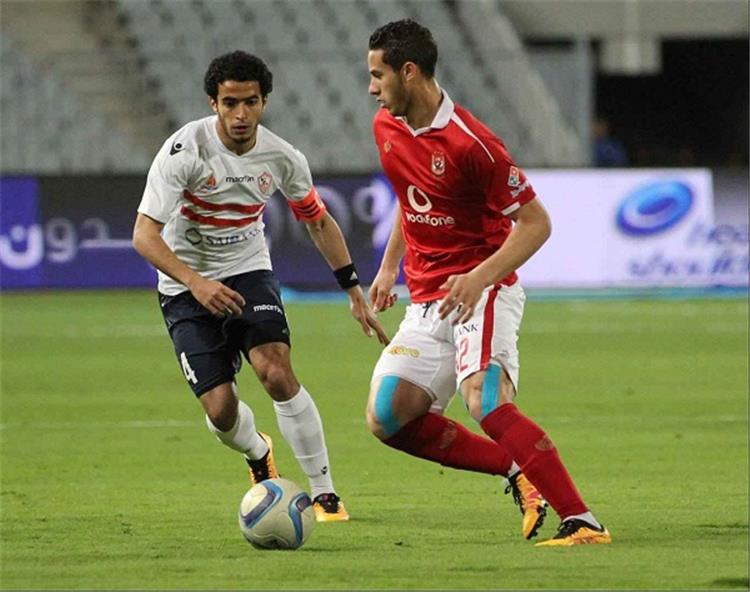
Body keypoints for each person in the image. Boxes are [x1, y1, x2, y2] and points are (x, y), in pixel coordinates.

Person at [364, 20, 611, 546]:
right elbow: (411, 200)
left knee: (485, 400)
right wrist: (388, 267)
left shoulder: (473, 144)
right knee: (388, 417)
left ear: (409, 72)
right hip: (427, 301)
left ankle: (582, 520)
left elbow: (536, 224)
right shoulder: (386, 126)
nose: (371, 88)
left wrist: (478, 278)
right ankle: (518, 469)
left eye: (377, 75)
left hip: (484, 289)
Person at [132, 50, 388, 522]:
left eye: (250, 102)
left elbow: (318, 221)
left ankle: (324, 492)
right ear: (213, 103)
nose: (241, 114)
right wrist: (196, 282)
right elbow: (144, 235)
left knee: (275, 370)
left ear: (264, 102)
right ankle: (257, 451)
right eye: (230, 103)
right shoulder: (184, 151)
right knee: (221, 411)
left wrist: (353, 289)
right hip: (185, 286)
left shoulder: (282, 156)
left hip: (247, 269)